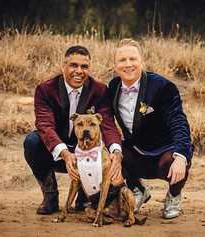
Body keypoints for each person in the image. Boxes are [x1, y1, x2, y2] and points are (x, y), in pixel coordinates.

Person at [23, 45, 123, 215]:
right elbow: (44, 125)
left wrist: (116, 152)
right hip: (59, 151)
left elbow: (107, 124)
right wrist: (65, 154)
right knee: (32, 141)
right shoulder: (45, 89)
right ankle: (50, 195)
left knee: (113, 147)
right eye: (73, 65)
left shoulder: (99, 90)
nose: (79, 71)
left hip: (89, 151)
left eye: (84, 67)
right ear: (63, 67)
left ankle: (86, 197)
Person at [108, 39, 193, 219]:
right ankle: (138, 190)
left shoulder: (162, 86)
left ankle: (174, 195)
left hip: (164, 151)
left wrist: (181, 155)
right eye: (122, 60)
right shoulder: (113, 87)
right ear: (115, 66)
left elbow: (179, 120)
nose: (128, 64)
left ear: (142, 62)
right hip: (137, 150)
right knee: (114, 152)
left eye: (133, 59)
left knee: (174, 160)